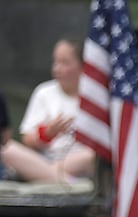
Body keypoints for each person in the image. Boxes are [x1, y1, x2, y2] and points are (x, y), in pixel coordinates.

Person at [2, 38, 96, 183]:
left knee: (92, 156)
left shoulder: (95, 95)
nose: (56, 68)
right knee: (6, 149)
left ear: (82, 66)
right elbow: (27, 139)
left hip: (79, 163)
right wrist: (47, 133)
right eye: (55, 62)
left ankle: (49, 176)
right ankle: (66, 181)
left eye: (65, 63)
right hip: (43, 160)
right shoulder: (44, 92)